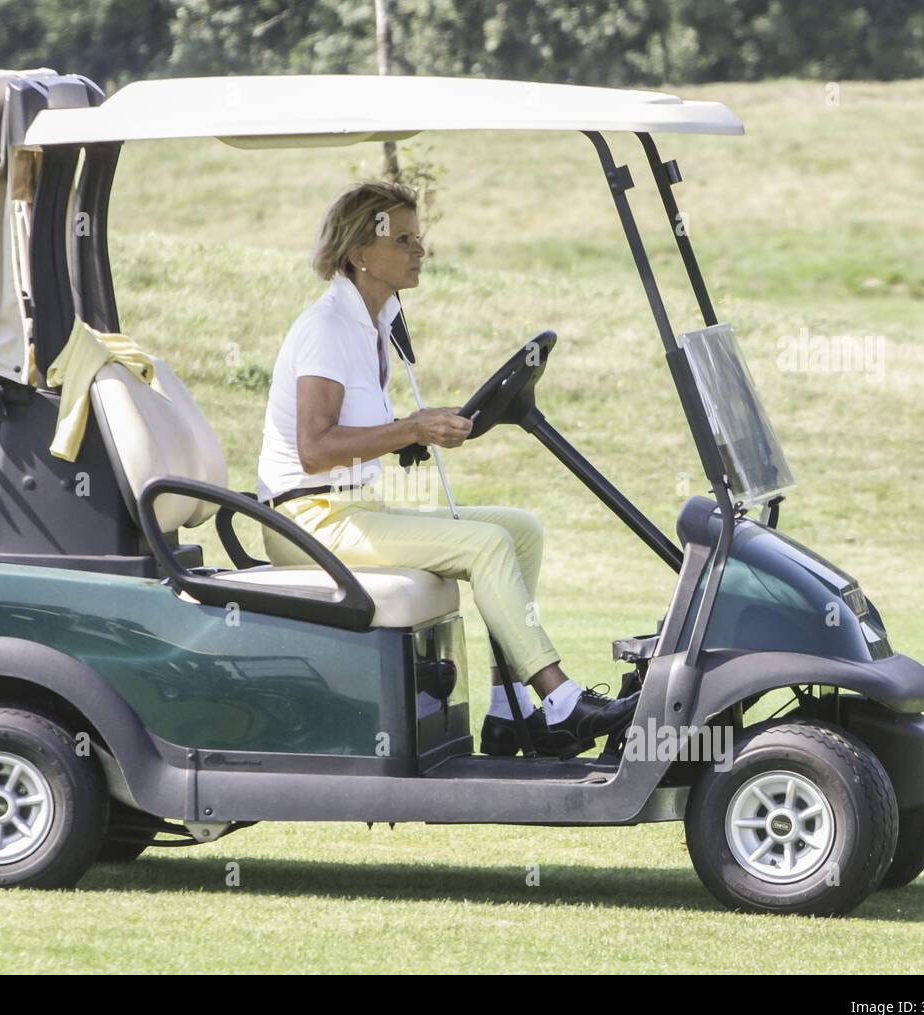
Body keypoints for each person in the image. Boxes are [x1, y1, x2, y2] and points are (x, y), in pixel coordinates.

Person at [255, 181, 637, 759]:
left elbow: (357, 437)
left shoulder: (374, 322)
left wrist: (412, 434)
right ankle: (561, 703)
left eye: (419, 237)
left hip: (353, 509)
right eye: (403, 239)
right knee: (484, 545)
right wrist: (410, 429)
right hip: (308, 524)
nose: (419, 250)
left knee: (519, 529)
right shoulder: (329, 327)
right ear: (360, 252)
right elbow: (314, 448)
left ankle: (509, 714)